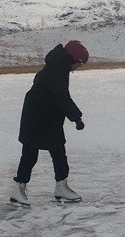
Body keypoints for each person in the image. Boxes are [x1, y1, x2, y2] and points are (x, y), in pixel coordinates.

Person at [9, 40, 89, 205]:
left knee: (57, 152)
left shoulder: (57, 67)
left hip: (46, 118)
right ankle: (19, 188)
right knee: (31, 155)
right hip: (37, 119)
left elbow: (58, 97)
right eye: (79, 63)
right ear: (72, 58)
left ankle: (60, 186)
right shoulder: (56, 71)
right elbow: (62, 97)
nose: (78, 67)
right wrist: (77, 118)